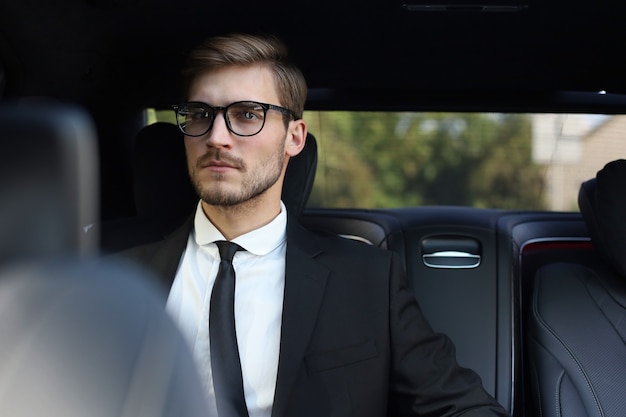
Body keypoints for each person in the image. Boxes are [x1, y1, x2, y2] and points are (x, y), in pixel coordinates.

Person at [120, 33, 510, 417]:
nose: (216, 137)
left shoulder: (368, 279)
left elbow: (463, 408)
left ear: (294, 137)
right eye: (200, 115)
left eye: (247, 115)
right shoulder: (112, 273)